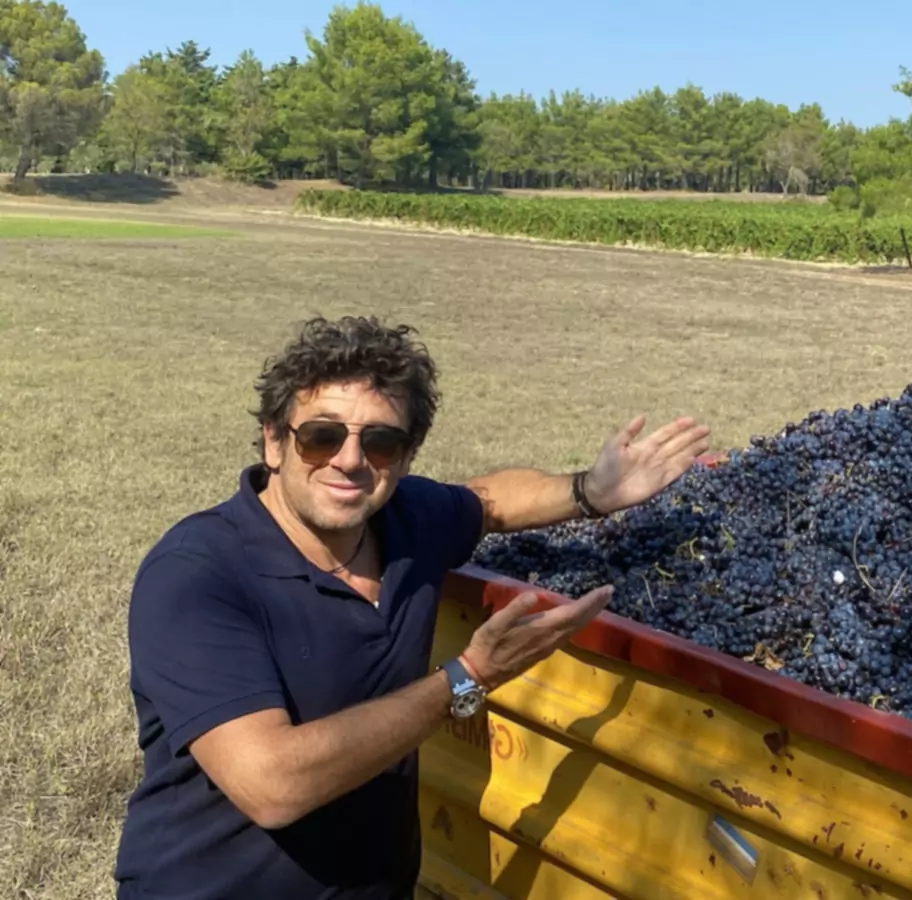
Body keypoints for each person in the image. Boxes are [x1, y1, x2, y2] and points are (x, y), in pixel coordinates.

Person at [113, 315, 712, 899]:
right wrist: (468, 678)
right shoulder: (197, 575)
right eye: (321, 436)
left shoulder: (405, 521)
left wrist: (591, 491)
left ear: (404, 457)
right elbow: (273, 786)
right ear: (274, 441)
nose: (350, 461)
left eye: (381, 441)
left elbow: (491, 500)